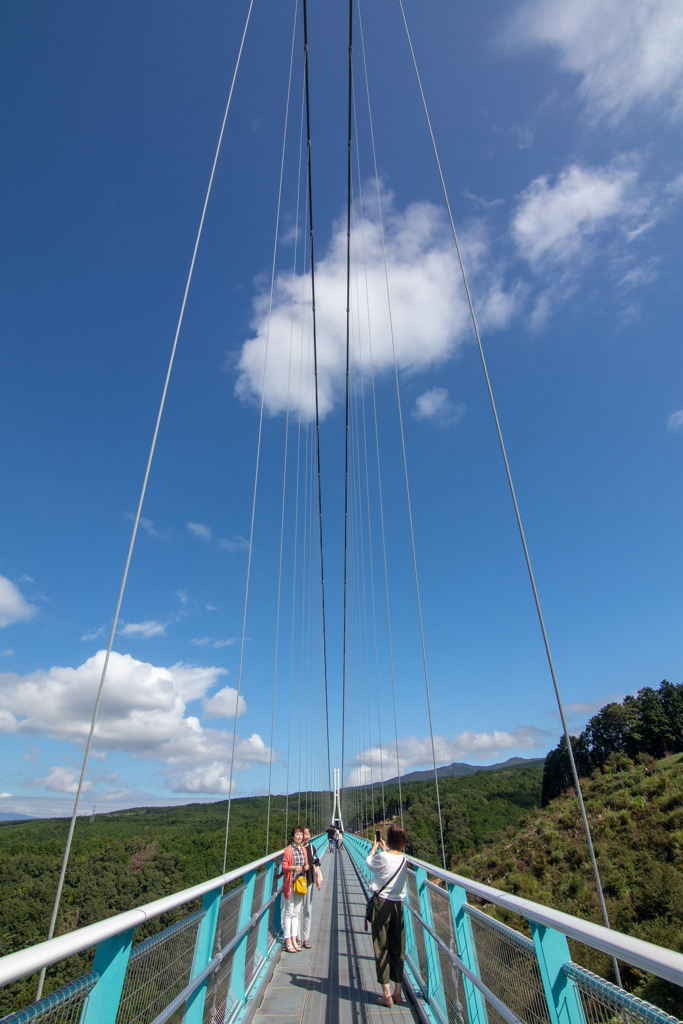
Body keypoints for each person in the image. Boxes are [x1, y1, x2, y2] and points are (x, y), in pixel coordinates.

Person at [366, 824, 408, 1008]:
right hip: (398, 906)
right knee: (398, 949)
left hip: (382, 904)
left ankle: (386, 995)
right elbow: (392, 862)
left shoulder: (382, 857)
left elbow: (370, 863)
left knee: (381, 947)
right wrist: (385, 851)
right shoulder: (405, 860)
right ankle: (398, 993)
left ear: (389, 840)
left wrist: (374, 849)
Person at [281, 824, 309, 952]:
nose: (299, 836)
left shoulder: (303, 849)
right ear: (293, 836)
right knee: (289, 912)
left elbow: (306, 863)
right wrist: (292, 868)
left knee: (296, 913)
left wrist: (306, 867)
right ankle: (287, 940)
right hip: (290, 884)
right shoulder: (288, 850)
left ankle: (294, 938)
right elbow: (284, 867)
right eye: (297, 834)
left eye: (301, 834)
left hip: (300, 885)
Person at [299, 824, 322, 948]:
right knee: (298, 910)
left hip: (308, 881)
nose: (306, 837)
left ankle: (306, 938)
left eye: (307, 834)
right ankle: (297, 937)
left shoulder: (312, 848)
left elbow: (317, 863)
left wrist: (318, 878)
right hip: (297, 882)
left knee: (307, 910)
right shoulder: (296, 848)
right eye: (304, 834)